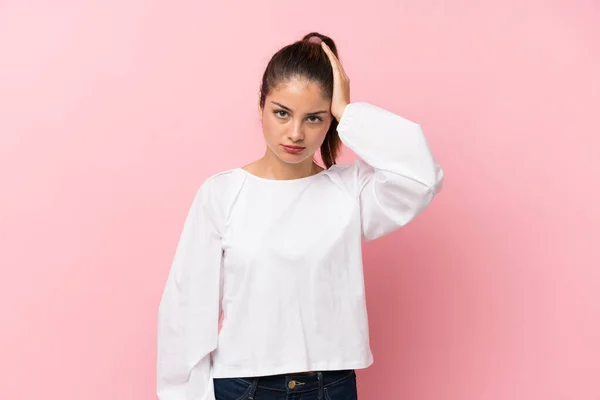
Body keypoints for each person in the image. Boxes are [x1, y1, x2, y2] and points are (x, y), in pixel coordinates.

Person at [156, 32, 444, 400]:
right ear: (261, 105)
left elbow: (422, 177)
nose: (295, 133)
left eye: (314, 118)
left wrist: (348, 111)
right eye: (282, 112)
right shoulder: (222, 194)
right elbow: (185, 313)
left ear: (330, 122)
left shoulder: (349, 190)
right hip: (244, 388)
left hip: (331, 387)